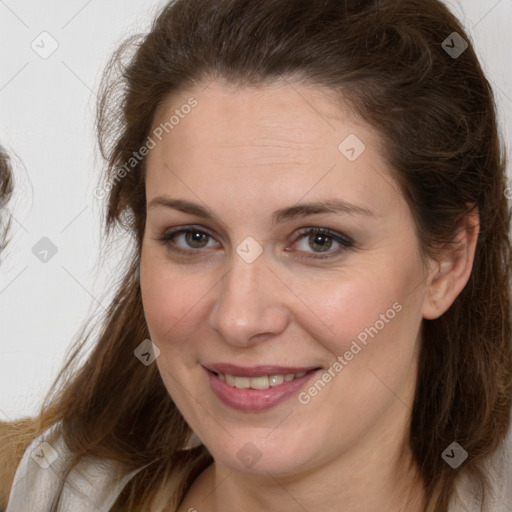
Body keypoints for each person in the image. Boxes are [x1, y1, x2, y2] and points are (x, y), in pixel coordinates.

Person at [2, 0, 511, 510]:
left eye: (319, 240)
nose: (239, 319)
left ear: (446, 262)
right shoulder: (52, 493)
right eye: (193, 237)